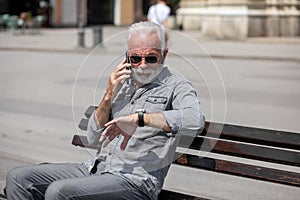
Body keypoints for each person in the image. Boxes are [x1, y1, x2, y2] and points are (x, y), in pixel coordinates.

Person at [6, 22, 205, 200]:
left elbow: (195, 119)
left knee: (59, 192)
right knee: (18, 178)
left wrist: (141, 119)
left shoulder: (177, 86)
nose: (143, 65)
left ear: (164, 54)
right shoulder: (122, 85)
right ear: (127, 56)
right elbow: (92, 137)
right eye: (135, 58)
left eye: (151, 58)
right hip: (95, 169)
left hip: (134, 181)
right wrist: (109, 94)